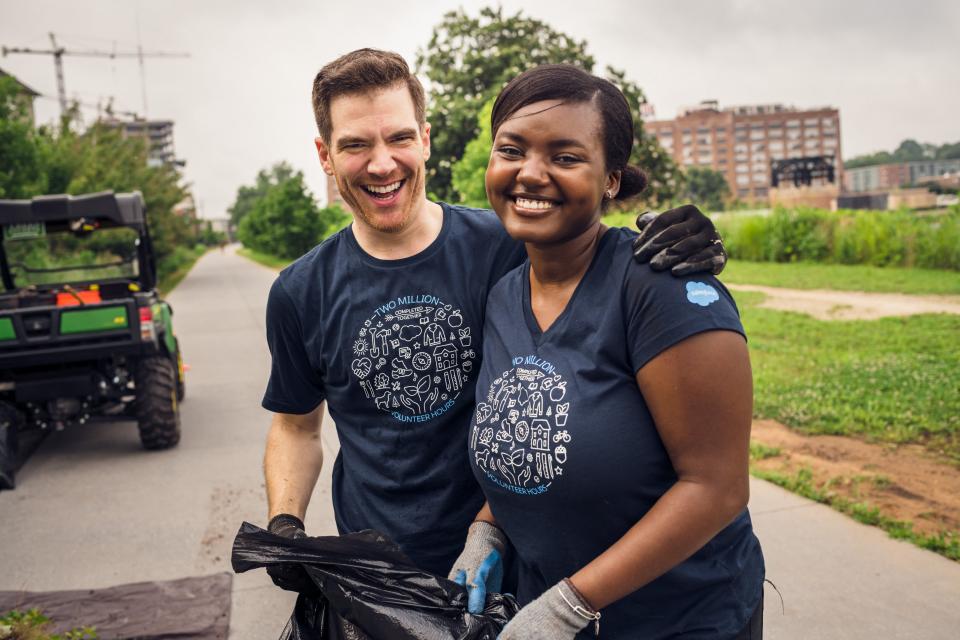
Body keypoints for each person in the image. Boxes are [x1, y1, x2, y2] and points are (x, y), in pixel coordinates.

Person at [260, 49, 729, 591]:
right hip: (382, 577)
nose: (382, 163)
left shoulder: (508, 246)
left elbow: (596, 253)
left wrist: (693, 246)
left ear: (426, 139)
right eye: (355, 145)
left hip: (516, 564)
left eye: (400, 138)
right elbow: (296, 426)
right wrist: (285, 523)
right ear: (325, 155)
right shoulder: (299, 291)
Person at [450, 64, 764, 639]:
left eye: (566, 157)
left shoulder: (660, 289)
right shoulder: (502, 297)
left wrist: (569, 605)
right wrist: (487, 531)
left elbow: (715, 487)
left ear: (612, 180)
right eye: (511, 149)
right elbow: (534, 442)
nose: (531, 173)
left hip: (677, 621)